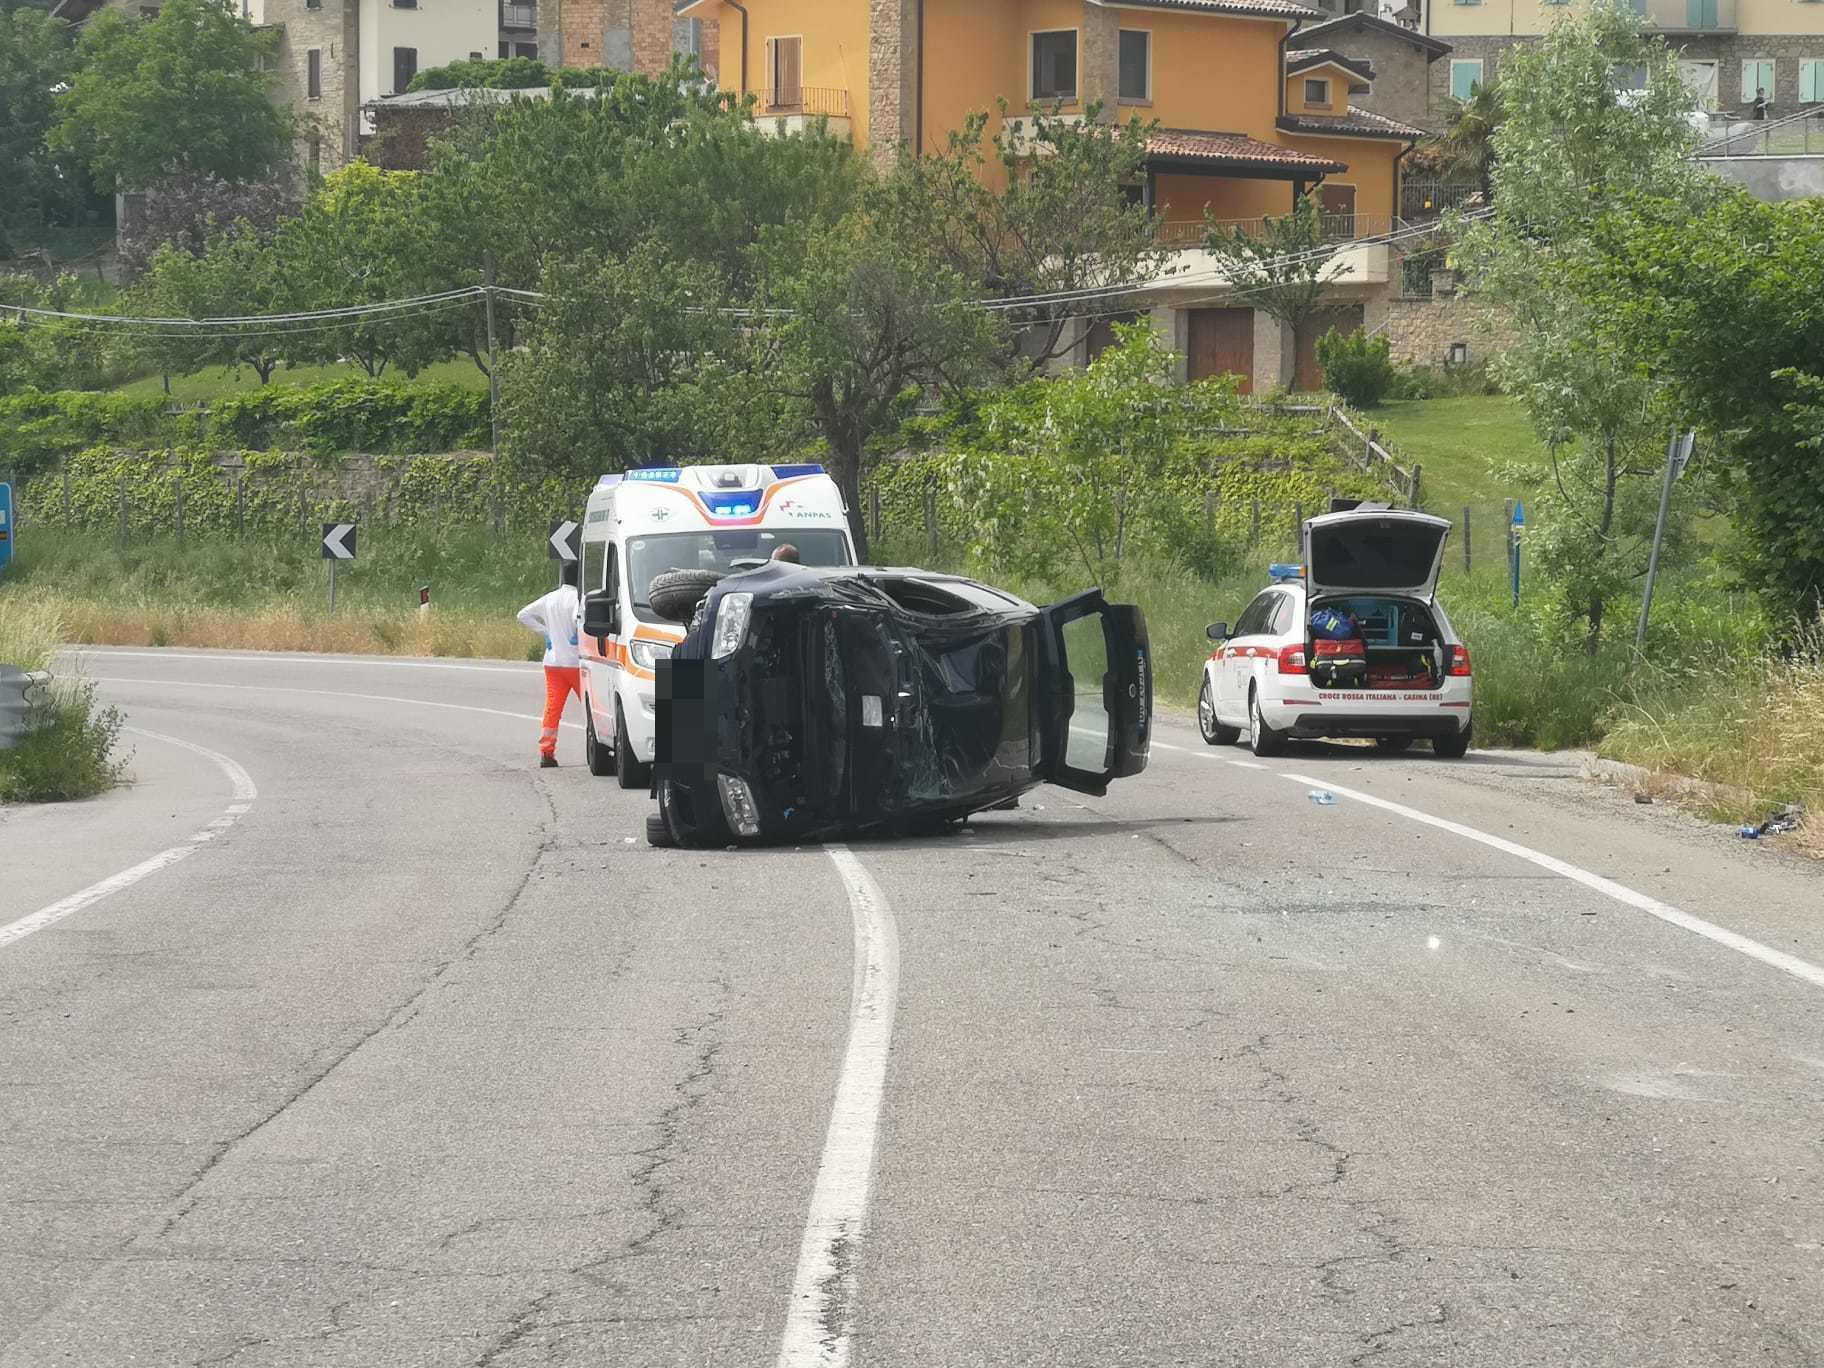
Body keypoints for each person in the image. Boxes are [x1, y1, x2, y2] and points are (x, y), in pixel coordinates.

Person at [517, 563, 581, 768]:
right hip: (575, 662)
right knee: (591, 706)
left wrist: (546, 632)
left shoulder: (550, 598)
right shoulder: (579, 598)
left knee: (553, 707)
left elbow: (523, 615)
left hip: (552, 662)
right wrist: (575, 636)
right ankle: (598, 747)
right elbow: (578, 620)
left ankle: (546, 752)